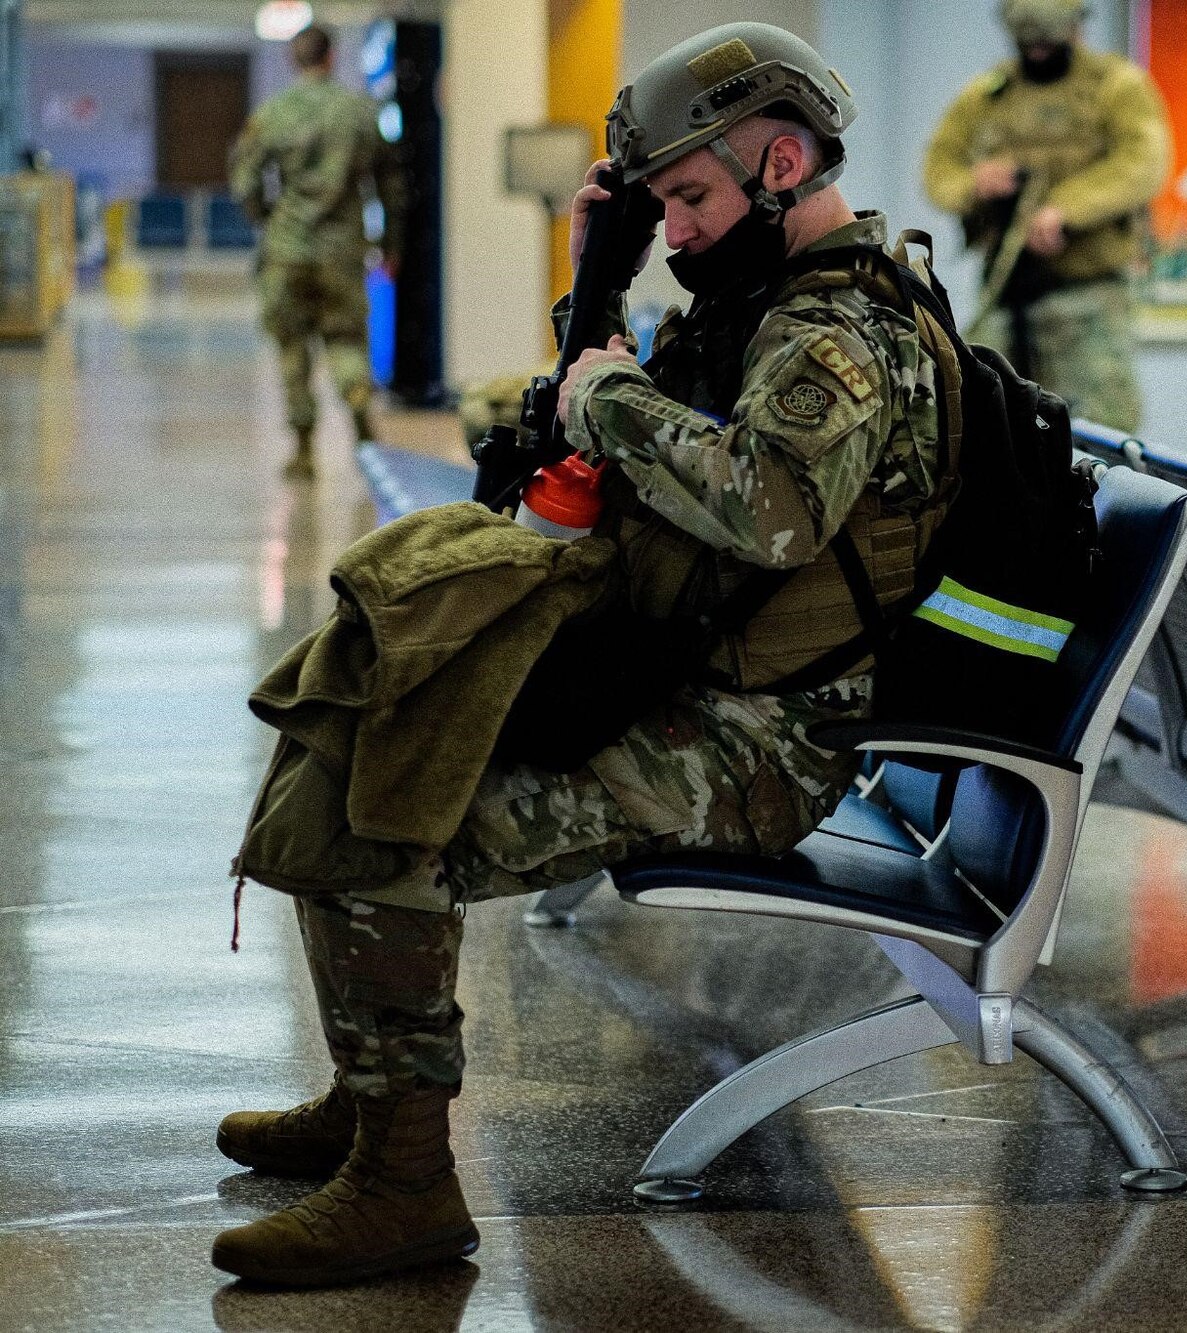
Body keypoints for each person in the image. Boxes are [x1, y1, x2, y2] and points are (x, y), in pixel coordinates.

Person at [210, 22, 951, 1286]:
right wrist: (597, 281)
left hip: (766, 744)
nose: (679, 231)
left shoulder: (838, 337)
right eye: (661, 206)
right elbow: (612, 425)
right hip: (696, 687)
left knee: (389, 822)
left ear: (782, 163)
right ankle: (369, 1100)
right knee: (358, 729)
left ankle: (403, 1182)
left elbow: (768, 504)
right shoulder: (763, 304)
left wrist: (608, 392)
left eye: (691, 199)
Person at [922, 0, 1168, 433]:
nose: (1037, 50)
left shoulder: (1116, 87)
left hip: (1085, 299)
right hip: (1005, 295)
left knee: (1097, 438)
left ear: (1075, 27)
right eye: (1027, 40)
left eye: (1048, 39)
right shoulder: (987, 96)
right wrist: (977, 183)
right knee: (983, 431)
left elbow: (1143, 163)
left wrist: (1064, 211)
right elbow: (939, 169)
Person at [228, 24, 404, 480]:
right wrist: (391, 245)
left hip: (286, 250)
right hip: (342, 250)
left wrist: (269, 219)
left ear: (294, 60)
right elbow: (391, 185)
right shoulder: (360, 114)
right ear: (331, 57)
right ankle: (363, 426)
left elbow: (245, 181)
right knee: (345, 340)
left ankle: (304, 449)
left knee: (292, 348)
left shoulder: (272, 113)